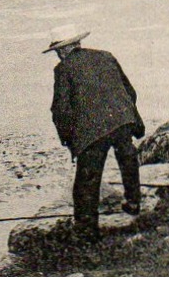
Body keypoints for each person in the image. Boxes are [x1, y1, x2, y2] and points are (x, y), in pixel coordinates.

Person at [46, 26, 144, 241]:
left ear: (64, 50)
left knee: (87, 178)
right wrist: (124, 115)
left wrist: (69, 139)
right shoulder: (106, 56)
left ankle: (86, 230)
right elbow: (130, 91)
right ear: (77, 43)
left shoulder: (63, 69)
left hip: (93, 130)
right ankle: (134, 202)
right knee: (127, 157)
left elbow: (61, 110)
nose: (58, 55)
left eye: (57, 51)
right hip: (122, 118)